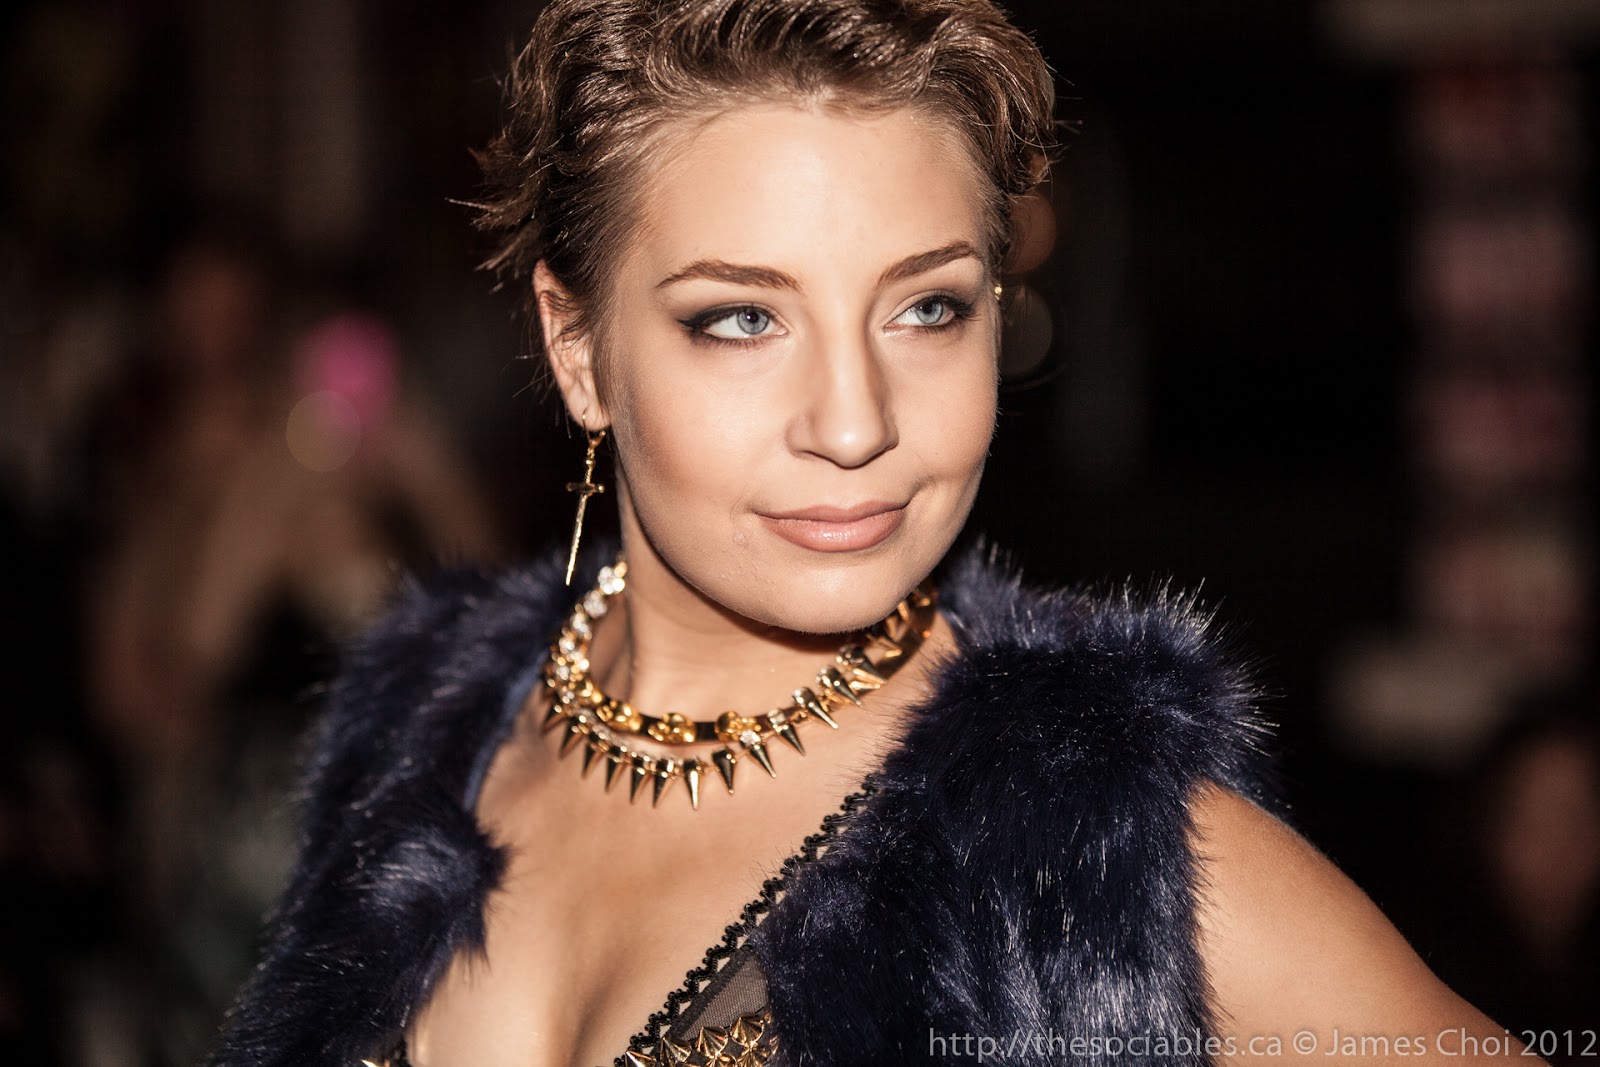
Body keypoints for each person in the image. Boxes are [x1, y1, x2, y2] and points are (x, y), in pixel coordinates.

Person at [205, 2, 1529, 1065]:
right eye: (742, 318)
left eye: (928, 309)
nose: (854, 424)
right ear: (579, 349)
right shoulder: (422, 717)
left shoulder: (1086, 846)